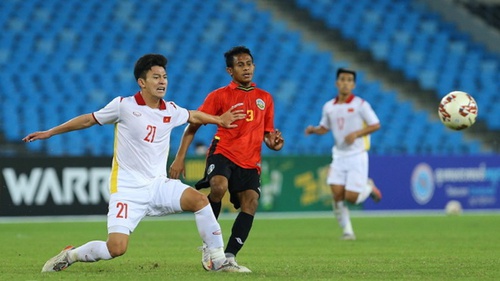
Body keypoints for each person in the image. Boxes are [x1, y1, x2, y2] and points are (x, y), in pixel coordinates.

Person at [22, 54, 251, 273]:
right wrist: (50, 132)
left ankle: (219, 259)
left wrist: (218, 120)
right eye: (156, 77)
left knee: (200, 201)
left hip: (158, 185)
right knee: (116, 248)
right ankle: (71, 255)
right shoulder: (124, 106)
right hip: (128, 189)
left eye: (164, 77)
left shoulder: (170, 110)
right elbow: (88, 120)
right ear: (142, 82)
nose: (162, 82)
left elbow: (193, 115)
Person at [169, 46, 284, 272]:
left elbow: (269, 135)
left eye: (249, 64)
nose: (246, 68)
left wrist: (274, 143)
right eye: (240, 65)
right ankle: (210, 245)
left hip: (250, 161)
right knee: (219, 187)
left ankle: (229, 256)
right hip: (223, 152)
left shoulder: (265, 99)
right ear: (230, 71)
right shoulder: (219, 96)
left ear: (254, 66)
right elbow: (193, 125)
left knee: (251, 201)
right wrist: (180, 157)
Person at [304, 68, 382, 241]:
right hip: (339, 156)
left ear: (353, 85)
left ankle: (368, 188)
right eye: (342, 79)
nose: (345, 83)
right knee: (337, 195)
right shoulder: (329, 107)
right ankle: (348, 231)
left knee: (352, 198)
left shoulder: (361, 105)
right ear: (337, 83)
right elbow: (325, 128)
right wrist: (314, 130)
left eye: (349, 80)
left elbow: (376, 124)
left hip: (357, 155)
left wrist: (357, 134)